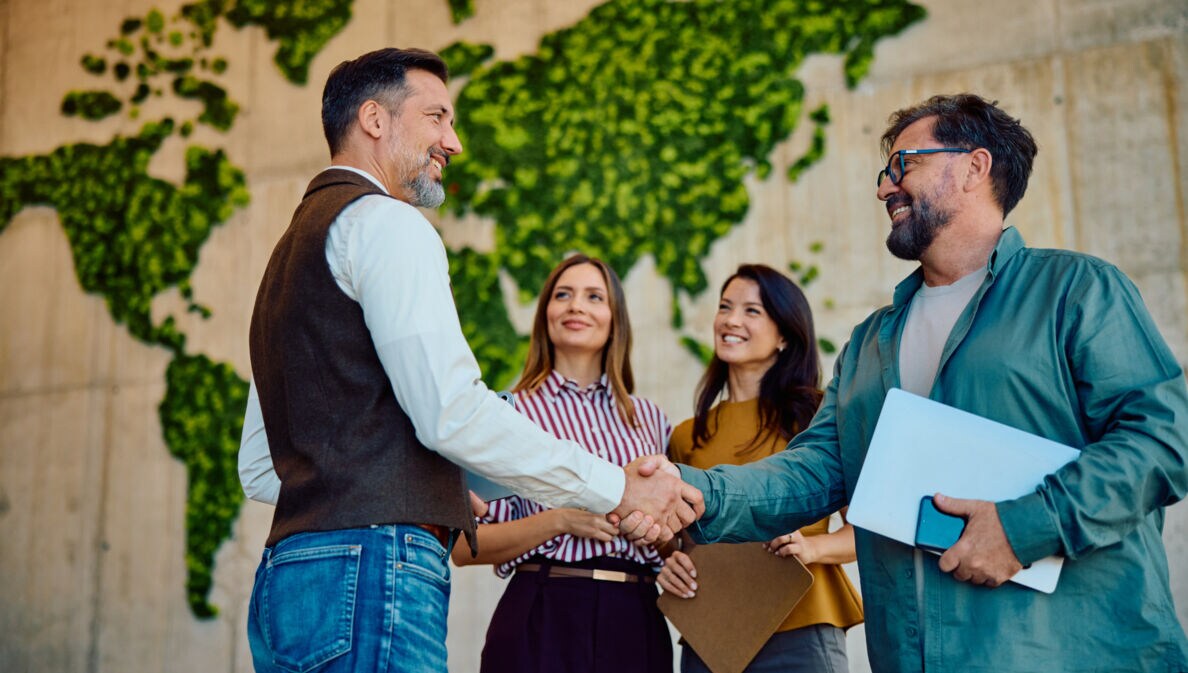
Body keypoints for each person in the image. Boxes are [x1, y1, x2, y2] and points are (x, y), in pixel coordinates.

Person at [625, 94, 1188, 672]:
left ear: (975, 166)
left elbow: (1164, 440)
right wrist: (696, 491)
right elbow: (815, 471)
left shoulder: (1076, 290)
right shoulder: (872, 341)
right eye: (883, 172)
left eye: (905, 165)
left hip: (1071, 653)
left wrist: (1023, 528)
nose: (884, 188)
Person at [238, 47, 701, 673]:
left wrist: (430, 479)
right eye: (437, 118)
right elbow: (450, 413)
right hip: (373, 576)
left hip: (289, 580)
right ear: (375, 119)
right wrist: (617, 488)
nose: (453, 142)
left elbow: (264, 468)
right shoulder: (388, 225)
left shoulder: (287, 260)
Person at [451, 254, 673, 673]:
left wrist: (663, 541)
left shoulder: (651, 420)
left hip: (636, 618)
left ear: (614, 319)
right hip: (542, 612)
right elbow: (465, 547)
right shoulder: (507, 415)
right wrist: (561, 521)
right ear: (545, 315)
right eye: (563, 295)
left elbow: (670, 536)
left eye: (594, 296)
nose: (576, 306)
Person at [658, 264, 862, 673]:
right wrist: (669, 561)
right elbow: (675, 538)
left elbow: (868, 530)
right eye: (725, 307)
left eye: (752, 310)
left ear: (785, 334)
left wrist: (813, 548)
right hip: (711, 634)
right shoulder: (686, 435)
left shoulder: (820, 418)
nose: (731, 320)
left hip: (801, 629)